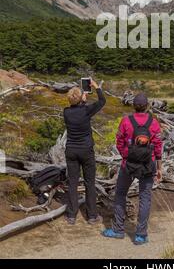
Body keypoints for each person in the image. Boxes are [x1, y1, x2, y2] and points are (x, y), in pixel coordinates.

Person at [102, 93, 162, 245]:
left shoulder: (126, 121)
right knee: (145, 198)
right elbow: (158, 146)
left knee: (121, 193)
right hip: (149, 165)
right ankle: (140, 235)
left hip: (128, 164)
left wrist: (125, 155)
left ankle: (118, 230)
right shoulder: (154, 123)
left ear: (133, 105)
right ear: (147, 106)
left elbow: (119, 141)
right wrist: (159, 167)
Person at [64, 79, 106, 225]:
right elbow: (102, 101)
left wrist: (81, 97)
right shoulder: (86, 110)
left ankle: (71, 215)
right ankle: (92, 216)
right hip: (86, 151)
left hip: (71, 151)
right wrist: (96, 87)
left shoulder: (66, 112)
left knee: (73, 183)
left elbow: (77, 107)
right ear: (81, 98)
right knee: (89, 182)